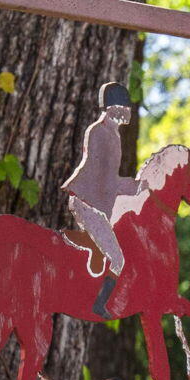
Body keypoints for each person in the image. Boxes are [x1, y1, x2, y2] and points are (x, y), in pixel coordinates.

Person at [62, 82, 143, 317]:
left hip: (95, 204)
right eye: (125, 107)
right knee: (118, 259)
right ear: (113, 108)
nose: (128, 112)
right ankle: (99, 305)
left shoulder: (113, 133)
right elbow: (106, 180)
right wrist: (134, 186)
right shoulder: (99, 132)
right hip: (87, 203)